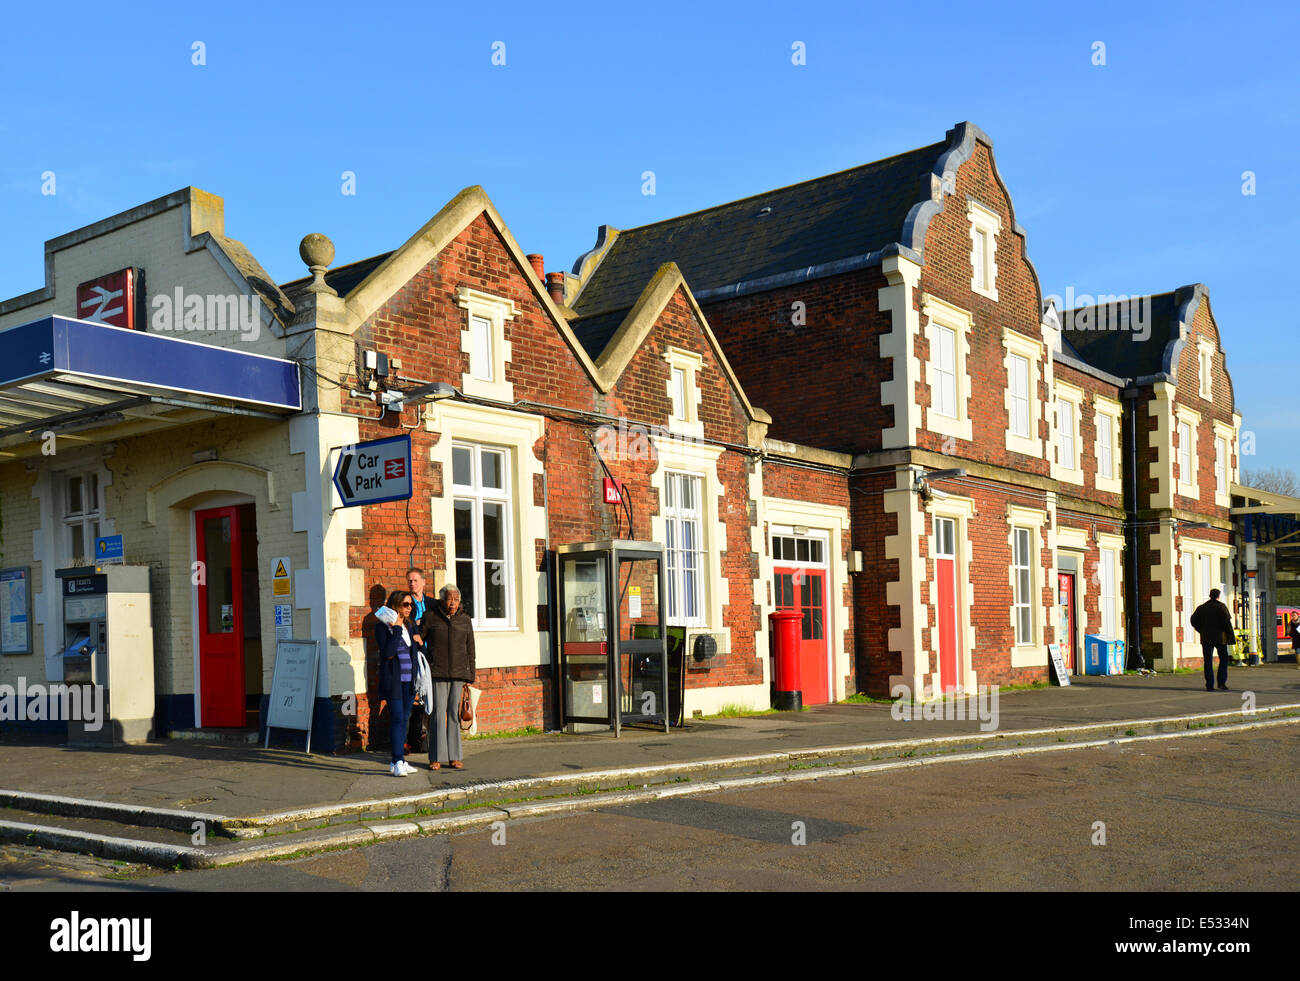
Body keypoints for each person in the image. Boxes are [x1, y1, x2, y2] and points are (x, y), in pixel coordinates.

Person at [420, 583, 476, 770]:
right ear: (442, 599)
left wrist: (471, 674)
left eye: (456, 599)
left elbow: (470, 649)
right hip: (437, 673)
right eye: (449, 599)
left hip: (459, 674)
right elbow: (420, 642)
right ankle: (435, 757)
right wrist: (429, 661)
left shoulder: (465, 620)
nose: (453, 603)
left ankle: (454, 756)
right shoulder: (430, 617)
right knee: (437, 714)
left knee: (453, 713)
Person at [374, 590, 425, 775]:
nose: (409, 608)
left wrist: (420, 644)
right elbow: (387, 652)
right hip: (394, 682)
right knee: (396, 719)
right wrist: (396, 628)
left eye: (411, 605)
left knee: (404, 719)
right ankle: (396, 762)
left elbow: (421, 652)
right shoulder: (383, 627)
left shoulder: (411, 626)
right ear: (395, 605)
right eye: (406, 604)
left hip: (409, 682)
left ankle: (401, 761)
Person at [404, 569, 433, 751]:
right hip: (414, 654)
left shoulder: (432, 603)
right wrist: (417, 624)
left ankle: (426, 738)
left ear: (423, 582)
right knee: (412, 697)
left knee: (429, 697)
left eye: (415, 580)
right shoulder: (406, 603)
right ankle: (409, 739)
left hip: (431, 654)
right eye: (409, 581)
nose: (412, 584)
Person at [1190, 588, 1234, 692]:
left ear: (1210, 595)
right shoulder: (1221, 607)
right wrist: (1230, 636)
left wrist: (1201, 630)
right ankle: (1221, 683)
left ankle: (1209, 685)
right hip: (1220, 638)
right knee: (1223, 659)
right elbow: (1227, 623)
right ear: (1218, 596)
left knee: (1208, 661)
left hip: (1206, 638)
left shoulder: (1202, 608)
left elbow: (1193, 620)